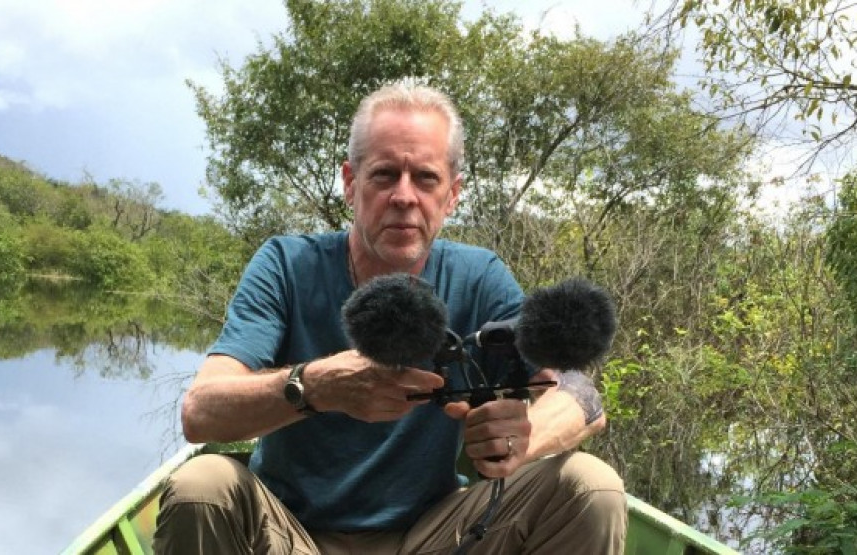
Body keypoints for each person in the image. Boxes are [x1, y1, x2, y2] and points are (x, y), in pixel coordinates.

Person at [153, 81, 626, 554]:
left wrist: (524, 438)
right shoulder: (286, 265)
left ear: (453, 194)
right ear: (350, 183)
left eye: (425, 178)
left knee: (591, 487)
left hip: (432, 537)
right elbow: (200, 413)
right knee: (203, 484)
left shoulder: (479, 277)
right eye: (384, 175)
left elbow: (580, 394)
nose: (404, 196)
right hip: (288, 535)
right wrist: (316, 386)